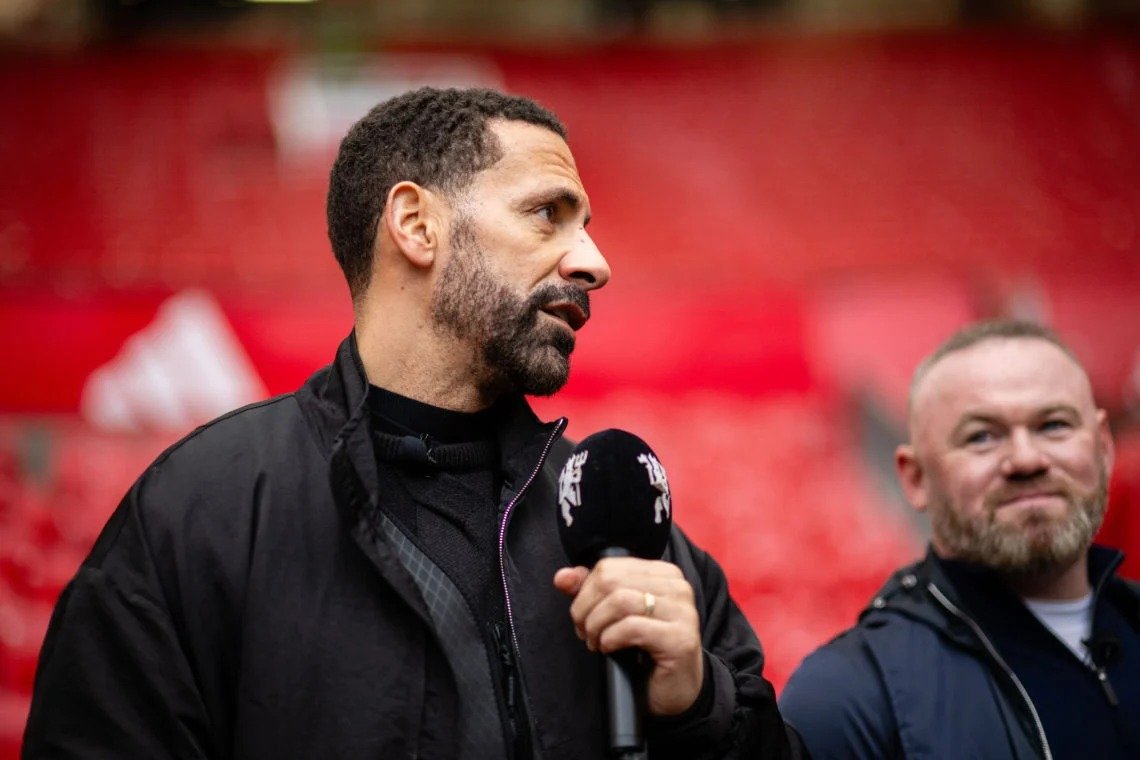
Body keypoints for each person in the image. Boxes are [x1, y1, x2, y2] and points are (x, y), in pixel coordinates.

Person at [23, 87, 801, 759]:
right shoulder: (199, 516)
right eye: (547, 215)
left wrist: (700, 710)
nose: (594, 262)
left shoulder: (621, 522)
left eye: (585, 225)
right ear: (417, 225)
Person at [780, 319, 1140, 759]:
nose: (1026, 459)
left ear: (1104, 448)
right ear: (915, 478)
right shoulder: (847, 700)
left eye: (1054, 425)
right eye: (982, 436)